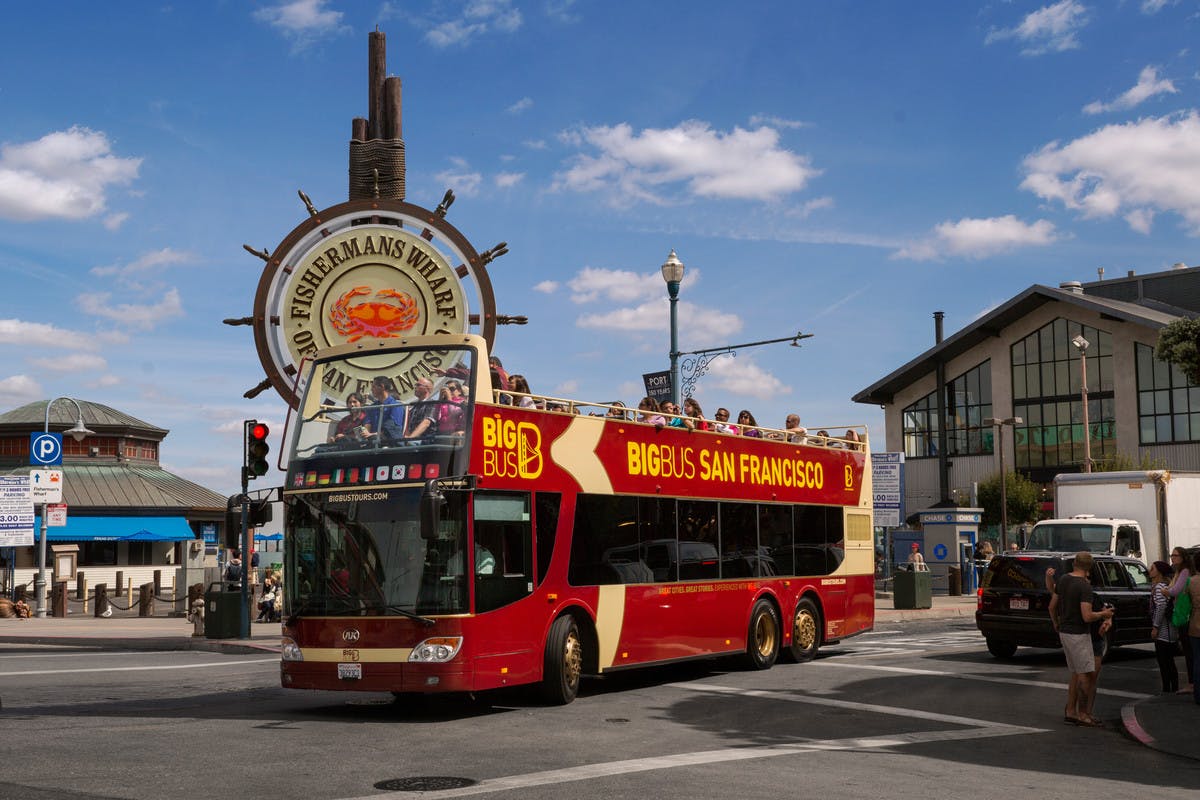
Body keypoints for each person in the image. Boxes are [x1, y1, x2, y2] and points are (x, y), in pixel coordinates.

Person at [1048, 551, 1114, 726]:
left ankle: (1071, 710)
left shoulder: (1063, 580)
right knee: (1085, 674)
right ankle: (1083, 714)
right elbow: (1086, 616)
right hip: (1078, 633)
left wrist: (1056, 622)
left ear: (1074, 563)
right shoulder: (1084, 586)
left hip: (1065, 632)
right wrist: (1103, 614)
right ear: (1089, 567)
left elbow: (1051, 606)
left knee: (1077, 672)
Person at [1149, 560, 1180, 693]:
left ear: (1159, 572)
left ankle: (1167, 689)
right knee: (1169, 661)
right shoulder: (1167, 586)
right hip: (1170, 629)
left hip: (1163, 631)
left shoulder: (1159, 588)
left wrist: (1155, 627)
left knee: (1164, 661)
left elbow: (1160, 608)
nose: (1150, 571)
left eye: (1152, 569)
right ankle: (1173, 687)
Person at [1167, 546, 1194, 694]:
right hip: (1184, 614)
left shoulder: (1184, 572)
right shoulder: (1178, 572)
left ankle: (1192, 683)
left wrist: (1166, 592)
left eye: (1175, 555)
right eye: (1172, 555)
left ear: (1183, 557)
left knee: (1189, 650)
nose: (1172, 557)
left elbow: (1175, 590)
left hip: (1186, 615)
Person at [369, 376, 407, 444]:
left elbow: (391, 427)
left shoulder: (396, 405)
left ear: (382, 387)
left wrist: (373, 435)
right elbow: (367, 422)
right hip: (373, 441)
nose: (371, 389)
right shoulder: (372, 407)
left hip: (390, 442)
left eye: (373, 387)